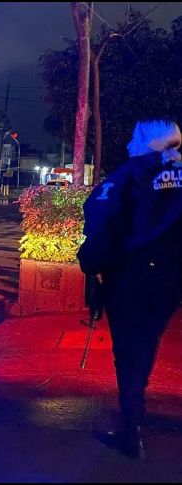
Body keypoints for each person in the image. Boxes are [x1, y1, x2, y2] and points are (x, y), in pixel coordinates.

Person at [78, 118, 182, 458]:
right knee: (147, 342)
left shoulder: (132, 172)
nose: (128, 145)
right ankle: (133, 417)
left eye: (134, 137)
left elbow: (101, 216)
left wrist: (92, 264)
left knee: (127, 349)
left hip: (130, 274)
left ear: (149, 141)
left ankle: (129, 428)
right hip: (171, 278)